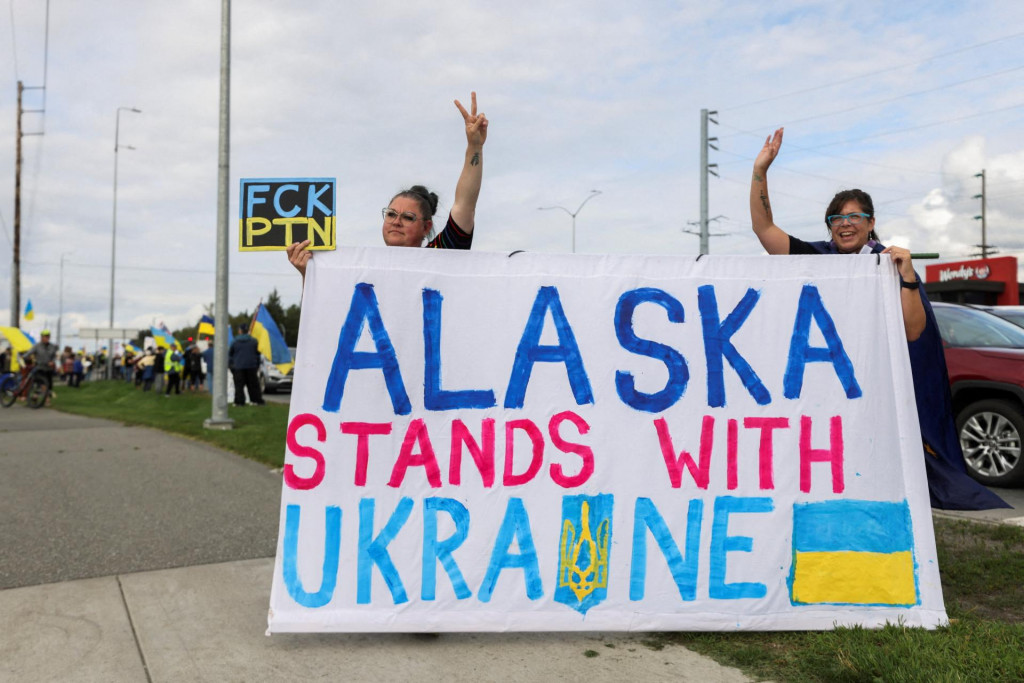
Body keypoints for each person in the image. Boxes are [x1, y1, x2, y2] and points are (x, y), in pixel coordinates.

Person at [749, 127, 1006, 511]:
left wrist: (906, 276)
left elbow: (914, 331)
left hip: (878, 390)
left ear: (871, 223)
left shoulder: (890, 263)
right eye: (836, 218)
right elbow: (764, 229)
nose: (845, 223)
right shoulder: (817, 258)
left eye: (855, 216)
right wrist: (760, 171)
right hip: (828, 391)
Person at [286, 91, 488, 277]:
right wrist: (307, 273)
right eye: (391, 214)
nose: (396, 222)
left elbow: (465, 204)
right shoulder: (363, 270)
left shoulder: (441, 254)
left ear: (426, 227)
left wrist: (474, 146)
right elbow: (329, 310)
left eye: (408, 217)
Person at [229, 325, 264, 406]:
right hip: (251, 366)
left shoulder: (234, 341)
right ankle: (256, 400)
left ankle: (239, 401)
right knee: (253, 385)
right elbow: (258, 354)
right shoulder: (254, 341)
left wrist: (231, 366)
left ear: (240, 331)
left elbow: (230, 355)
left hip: (238, 367)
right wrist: (257, 365)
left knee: (239, 386)